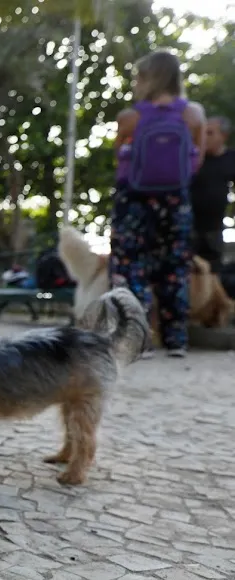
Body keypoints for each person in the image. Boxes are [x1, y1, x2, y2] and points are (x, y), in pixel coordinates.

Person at [111, 50, 206, 357]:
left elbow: (119, 156)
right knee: (174, 266)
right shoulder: (193, 115)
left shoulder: (131, 118)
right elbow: (197, 158)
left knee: (131, 265)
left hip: (134, 198)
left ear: (146, 78)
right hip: (176, 198)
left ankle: (138, 339)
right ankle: (176, 338)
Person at [190, 116, 235, 272]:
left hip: (214, 229)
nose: (205, 137)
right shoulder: (193, 157)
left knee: (213, 272)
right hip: (188, 226)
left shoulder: (231, 158)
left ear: (223, 136)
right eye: (203, 133)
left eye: (210, 133)